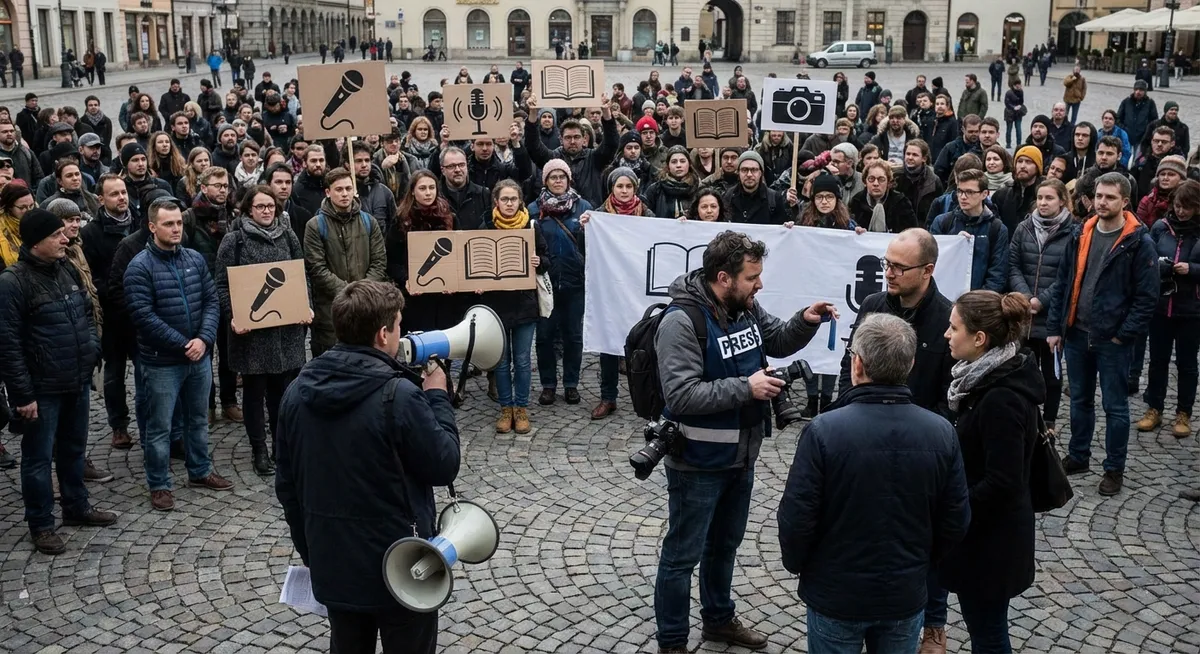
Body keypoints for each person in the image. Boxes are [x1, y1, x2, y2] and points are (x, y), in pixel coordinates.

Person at [653, 230, 835, 654]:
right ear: (724, 277)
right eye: (752, 277)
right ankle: (673, 642)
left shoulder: (745, 307)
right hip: (696, 460)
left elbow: (777, 339)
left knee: (725, 546)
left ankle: (718, 621)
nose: (759, 285)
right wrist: (746, 389)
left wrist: (805, 320)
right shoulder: (681, 322)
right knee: (682, 556)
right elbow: (680, 394)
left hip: (741, 454)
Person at [275, 277, 458, 654]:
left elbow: (287, 486)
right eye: (399, 324)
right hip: (401, 569)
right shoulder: (399, 395)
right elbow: (443, 464)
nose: (401, 332)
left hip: (334, 563)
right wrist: (437, 396)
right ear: (382, 334)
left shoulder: (296, 390)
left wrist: (314, 552)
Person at [780, 312, 970, 653]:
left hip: (836, 594)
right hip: (904, 594)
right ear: (910, 365)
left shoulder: (823, 432)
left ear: (857, 365)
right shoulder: (941, 432)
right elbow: (955, 518)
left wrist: (802, 566)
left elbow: (796, 517)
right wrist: (921, 563)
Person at [0, 207, 115, 554]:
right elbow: (7, 344)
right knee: (37, 460)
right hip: (42, 389)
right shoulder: (12, 282)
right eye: (56, 236)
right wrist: (23, 395)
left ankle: (76, 506)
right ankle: (41, 524)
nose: (65, 238)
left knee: (74, 450)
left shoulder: (65, 269)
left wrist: (92, 351)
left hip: (75, 379)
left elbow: (84, 311)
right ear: (36, 242)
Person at [940, 290, 1043, 654]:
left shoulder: (1000, 397)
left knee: (988, 634)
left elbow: (1004, 480)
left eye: (954, 328)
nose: (947, 335)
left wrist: (953, 504)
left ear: (980, 339)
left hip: (991, 546)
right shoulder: (984, 378)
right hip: (985, 538)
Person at [1047, 172, 1158, 496]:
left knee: (1116, 407)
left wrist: (1124, 335)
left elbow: (1146, 297)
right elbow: (1064, 283)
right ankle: (1079, 456)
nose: (1102, 202)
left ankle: (1114, 468)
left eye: (1110, 197)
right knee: (1079, 400)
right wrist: (1056, 327)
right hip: (1078, 334)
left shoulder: (1139, 241)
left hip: (1112, 340)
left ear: (1125, 201)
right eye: (1099, 196)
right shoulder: (1081, 232)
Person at [124, 198, 235, 511]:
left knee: (198, 419)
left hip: (198, 357)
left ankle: (199, 470)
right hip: (162, 363)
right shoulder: (140, 267)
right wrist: (184, 343)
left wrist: (203, 338)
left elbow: (211, 301)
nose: (175, 229)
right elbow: (143, 316)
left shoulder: (195, 259)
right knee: (159, 427)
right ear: (152, 227)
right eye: (168, 224)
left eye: (179, 223)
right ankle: (159, 484)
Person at [214, 186, 309, 475]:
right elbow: (221, 284)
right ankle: (259, 449)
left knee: (282, 394)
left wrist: (307, 306)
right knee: (254, 396)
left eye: (271, 206)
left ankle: (281, 446)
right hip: (252, 335)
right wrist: (234, 315)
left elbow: (300, 274)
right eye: (260, 206)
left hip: (285, 331)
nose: (267, 211)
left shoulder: (289, 236)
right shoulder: (234, 241)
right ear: (248, 210)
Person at [1007, 178, 1074, 434]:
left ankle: (1050, 420)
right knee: (1023, 367)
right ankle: (1026, 415)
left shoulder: (1072, 232)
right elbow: (1013, 266)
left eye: (1050, 198)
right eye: (1040, 198)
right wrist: (1025, 297)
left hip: (1052, 314)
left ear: (1061, 201)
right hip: (1024, 313)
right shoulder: (1024, 228)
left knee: (1051, 373)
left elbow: (1066, 275)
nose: (1043, 203)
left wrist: (1041, 300)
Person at [480, 180, 547, 434]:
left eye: (514, 199)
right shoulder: (485, 227)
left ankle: (521, 407)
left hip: (524, 303)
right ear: (496, 201)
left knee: (521, 360)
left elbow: (546, 260)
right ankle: (505, 408)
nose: (509, 204)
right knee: (501, 360)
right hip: (497, 304)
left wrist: (538, 262)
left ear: (520, 201)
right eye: (504, 199)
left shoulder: (532, 226)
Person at [1136, 179, 1200, 438]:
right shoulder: (1161, 227)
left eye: (1187, 207)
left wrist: (1192, 270)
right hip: (1161, 307)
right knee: (1158, 361)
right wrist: (1160, 267)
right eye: (1178, 205)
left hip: (1192, 309)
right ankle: (1154, 407)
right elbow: (1146, 257)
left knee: (1187, 364)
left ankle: (1184, 412)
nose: (1182, 211)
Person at [305, 167, 388, 357]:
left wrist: (361, 293)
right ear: (328, 192)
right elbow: (317, 269)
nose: (344, 194)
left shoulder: (369, 222)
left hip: (366, 307)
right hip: (331, 312)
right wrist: (348, 294)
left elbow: (379, 262)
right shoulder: (315, 225)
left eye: (348, 189)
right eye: (339, 189)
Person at [530, 160, 590, 406]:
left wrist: (588, 229)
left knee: (573, 336)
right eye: (552, 177)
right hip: (546, 284)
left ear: (568, 180)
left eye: (561, 176)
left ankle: (571, 384)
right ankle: (548, 385)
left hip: (574, 283)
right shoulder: (534, 210)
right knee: (544, 336)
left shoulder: (583, 207)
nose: (557, 181)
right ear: (545, 181)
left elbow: (594, 245)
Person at [930, 169, 1009, 291]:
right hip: (944, 297)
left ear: (984, 194)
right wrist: (954, 242)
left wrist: (977, 301)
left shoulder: (997, 229)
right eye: (960, 191)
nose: (963, 197)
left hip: (979, 302)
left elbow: (998, 274)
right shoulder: (942, 222)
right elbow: (931, 261)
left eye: (969, 192)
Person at [849, 159, 919, 234]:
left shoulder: (901, 202)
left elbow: (911, 232)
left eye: (881, 179)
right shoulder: (856, 201)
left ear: (888, 182)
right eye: (871, 179)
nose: (876, 183)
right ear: (865, 182)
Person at [1118, 81, 1159, 166]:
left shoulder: (1150, 103)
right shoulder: (1126, 102)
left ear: (1145, 91)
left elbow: (1154, 120)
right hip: (1127, 136)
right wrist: (1124, 129)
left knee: (1138, 161)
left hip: (1141, 137)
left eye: (1141, 90)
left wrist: (1147, 131)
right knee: (1123, 159)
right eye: (1136, 89)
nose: (1138, 92)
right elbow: (1118, 118)